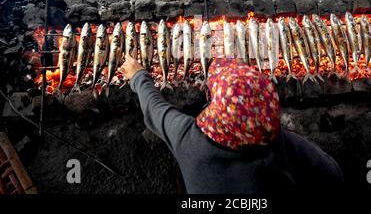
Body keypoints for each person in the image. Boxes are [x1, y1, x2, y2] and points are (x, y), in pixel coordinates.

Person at [119, 55, 343, 193]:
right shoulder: (281, 142)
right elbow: (332, 174)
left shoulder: (188, 139)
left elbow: (155, 109)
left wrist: (138, 75)